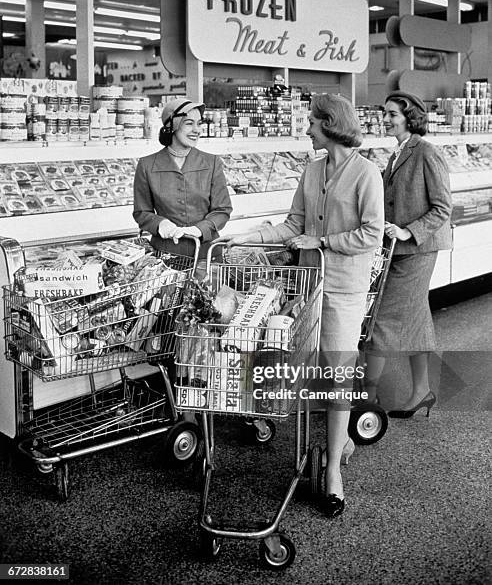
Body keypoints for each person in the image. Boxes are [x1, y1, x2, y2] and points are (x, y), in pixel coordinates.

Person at [218, 94, 384, 518]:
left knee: (337, 373)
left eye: (311, 122)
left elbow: (372, 234)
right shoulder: (312, 171)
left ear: (329, 124)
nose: (307, 129)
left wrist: (323, 241)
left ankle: (332, 471)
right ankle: (336, 439)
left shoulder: (367, 174)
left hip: (345, 289)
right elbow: (293, 225)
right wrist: (248, 238)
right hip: (309, 286)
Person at [365, 91, 452, 418]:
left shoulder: (426, 152)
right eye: (384, 113)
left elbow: (443, 207)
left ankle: (367, 399)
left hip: (418, 248)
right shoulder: (397, 153)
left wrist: (406, 231)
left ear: (410, 116)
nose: (385, 119)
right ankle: (421, 392)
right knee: (416, 319)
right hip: (400, 250)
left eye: (392, 114)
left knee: (382, 319)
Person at [133, 98, 232, 277]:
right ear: (172, 125)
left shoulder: (212, 162)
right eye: (189, 123)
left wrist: (200, 229)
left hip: (207, 256)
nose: (197, 130)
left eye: (199, 124)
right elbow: (141, 212)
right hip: (165, 259)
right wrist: (160, 224)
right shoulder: (147, 165)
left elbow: (222, 210)